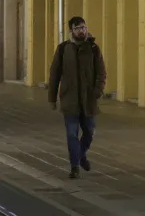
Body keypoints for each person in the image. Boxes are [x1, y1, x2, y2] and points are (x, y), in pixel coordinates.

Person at [48, 16, 107, 179]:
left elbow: (101, 72)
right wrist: (52, 98)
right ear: (71, 31)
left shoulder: (94, 48)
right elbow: (55, 75)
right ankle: (74, 166)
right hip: (70, 99)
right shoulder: (63, 49)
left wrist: (98, 91)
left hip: (89, 99)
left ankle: (80, 156)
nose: (82, 31)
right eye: (78, 28)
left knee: (89, 132)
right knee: (72, 134)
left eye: (83, 27)